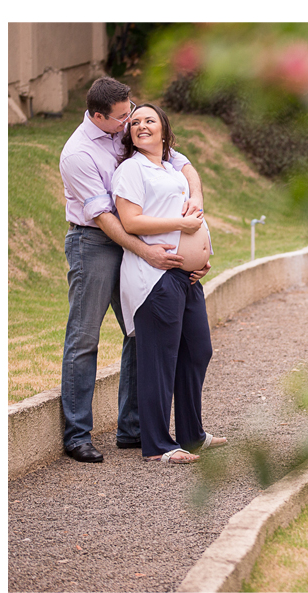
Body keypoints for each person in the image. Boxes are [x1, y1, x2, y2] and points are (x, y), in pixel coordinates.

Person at [59, 77, 208, 463]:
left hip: (135, 241)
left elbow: (182, 163)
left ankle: (133, 428)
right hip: (94, 241)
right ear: (98, 116)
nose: (131, 121)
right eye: (124, 116)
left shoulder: (125, 134)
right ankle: (77, 434)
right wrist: (147, 252)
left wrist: (195, 198)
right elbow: (109, 218)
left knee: (140, 332)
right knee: (84, 337)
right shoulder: (78, 154)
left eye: (133, 112)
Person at [112, 103, 226, 464]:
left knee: (197, 350)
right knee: (158, 360)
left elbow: (191, 198)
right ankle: (158, 445)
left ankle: (192, 435)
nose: (141, 126)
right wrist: (181, 226)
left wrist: (200, 253)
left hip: (187, 277)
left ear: (164, 128)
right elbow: (130, 222)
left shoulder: (170, 166)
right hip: (155, 277)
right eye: (134, 122)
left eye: (149, 120)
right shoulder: (131, 170)